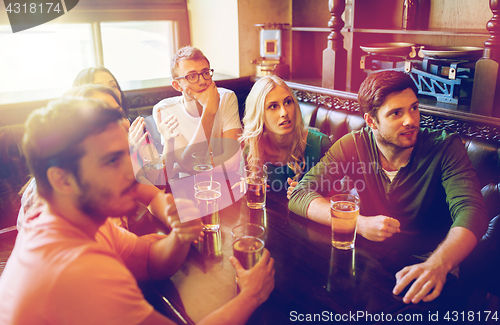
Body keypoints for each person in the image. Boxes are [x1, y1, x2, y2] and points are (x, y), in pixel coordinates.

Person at [0, 97, 275, 325]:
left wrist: (180, 235)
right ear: (62, 179)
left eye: (127, 154)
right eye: (111, 161)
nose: (132, 172)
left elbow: (147, 261)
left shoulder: (71, 219)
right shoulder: (78, 270)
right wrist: (251, 295)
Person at [289, 70, 488, 304]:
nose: (411, 120)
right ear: (372, 121)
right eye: (396, 113)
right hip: (374, 254)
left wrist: (438, 264)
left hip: (434, 256)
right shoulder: (352, 145)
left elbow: (472, 212)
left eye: (414, 108)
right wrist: (359, 223)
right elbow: (300, 195)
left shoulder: (445, 147)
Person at [17, 85, 179, 229]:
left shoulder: (112, 164)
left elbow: (154, 196)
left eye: (118, 114)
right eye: (102, 117)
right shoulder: (53, 191)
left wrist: (177, 220)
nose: (122, 124)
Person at [152, 46, 242, 175]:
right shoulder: (165, 110)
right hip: (186, 186)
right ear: (177, 85)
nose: (202, 82)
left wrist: (185, 167)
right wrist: (209, 110)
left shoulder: (226, 97)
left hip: (227, 182)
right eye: (192, 76)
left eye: (205, 73)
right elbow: (190, 164)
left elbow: (232, 163)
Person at [239, 75, 331, 196]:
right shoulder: (251, 148)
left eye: (288, 102)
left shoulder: (320, 144)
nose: (284, 112)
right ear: (259, 114)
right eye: (273, 106)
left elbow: (338, 200)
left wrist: (311, 197)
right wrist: (243, 187)